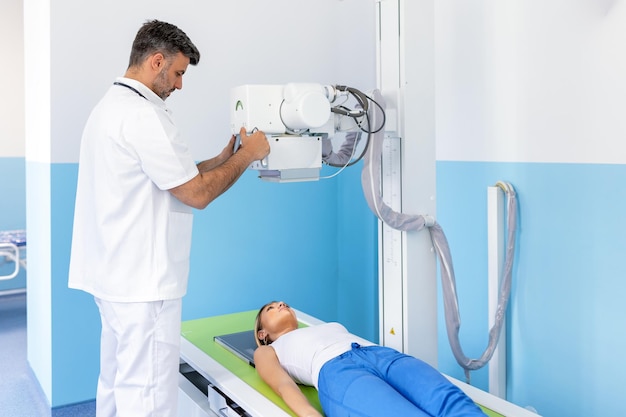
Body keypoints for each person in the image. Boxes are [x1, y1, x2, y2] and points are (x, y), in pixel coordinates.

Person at [68, 19, 269, 417]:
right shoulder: (144, 116)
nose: (179, 85)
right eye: (177, 73)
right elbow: (195, 193)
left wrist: (224, 158)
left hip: (114, 278)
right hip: (144, 284)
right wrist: (249, 155)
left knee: (117, 382)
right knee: (149, 396)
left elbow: (172, 176)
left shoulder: (110, 108)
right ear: (156, 61)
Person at [254, 301, 488, 417]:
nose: (281, 305)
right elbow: (284, 385)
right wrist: (309, 414)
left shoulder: (323, 327)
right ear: (262, 333)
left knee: (449, 401)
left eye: (282, 303)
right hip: (338, 371)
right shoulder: (269, 350)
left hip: (381, 355)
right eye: (272, 308)